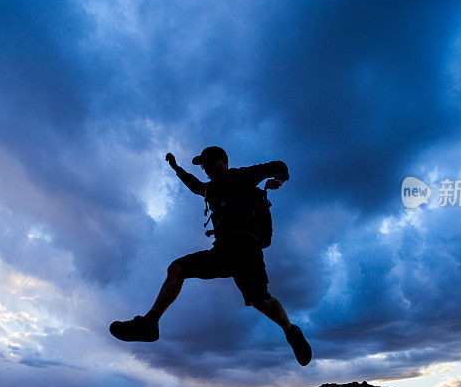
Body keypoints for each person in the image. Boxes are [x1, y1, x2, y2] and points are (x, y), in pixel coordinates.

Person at [110, 146, 312, 366]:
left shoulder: (243, 176)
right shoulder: (212, 189)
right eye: (203, 165)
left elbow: (280, 166)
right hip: (222, 252)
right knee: (177, 268)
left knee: (261, 301)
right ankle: (150, 323)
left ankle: (291, 331)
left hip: (247, 251)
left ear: (222, 162)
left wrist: (279, 181)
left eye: (208, 164)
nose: (205, 169)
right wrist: (177, 168)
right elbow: (195, 186)